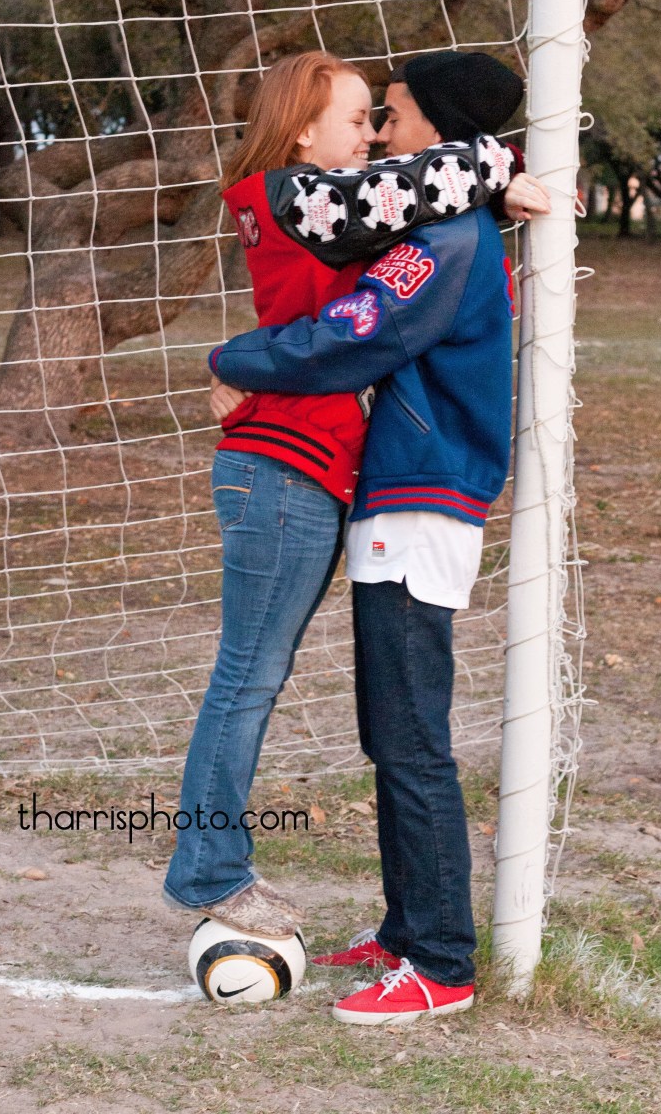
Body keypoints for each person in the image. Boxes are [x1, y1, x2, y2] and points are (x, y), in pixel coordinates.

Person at [162, 50, 547, 946]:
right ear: (301, 128)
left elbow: (412, 203)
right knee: (249, 679)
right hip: (283, 461)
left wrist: (497, 185)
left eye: (385, 115)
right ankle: (209, 870)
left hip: (318, 463)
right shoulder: (299, 197)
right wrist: (501, 167)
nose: (374, 136)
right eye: (358, 117)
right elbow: (397, 206)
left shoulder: (338, 206)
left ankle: (390, 921)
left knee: (276, 684)